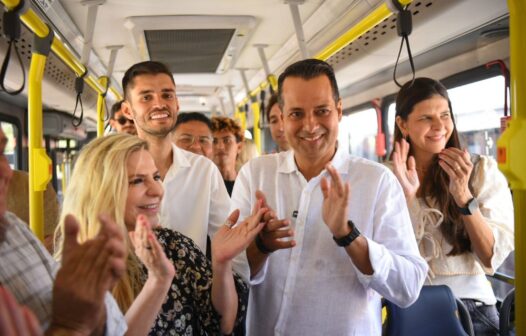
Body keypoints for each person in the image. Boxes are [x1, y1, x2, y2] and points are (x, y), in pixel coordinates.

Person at [231, 59, 428, 335]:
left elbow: (407, 288)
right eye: (296, 114)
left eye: (321, 111)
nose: (310, 126)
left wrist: (348, 236)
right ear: (282, 117)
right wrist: (260, 248)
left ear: (338, 111)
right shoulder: (255, 175)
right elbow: (230, 276)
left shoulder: (377, 182)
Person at [55, 133, 266, 335]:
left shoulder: (174, 247)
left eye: (156, 177)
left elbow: (223, 324)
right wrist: (158, 281)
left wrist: (221, 264)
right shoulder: (76, 271)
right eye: (138, 181)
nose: (157, 190)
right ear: (102, 189)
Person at [390, 77, 514, 335]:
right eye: (426, 118)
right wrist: (406, 199)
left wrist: (463, 196)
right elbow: (386, 256)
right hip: (409, 308)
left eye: (445, 115)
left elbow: (490, 256)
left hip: (473, 309)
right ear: (403, 125)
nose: (439, 126)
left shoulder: (480, 171)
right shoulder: (386, 178)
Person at [119, 61, 249, 280]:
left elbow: (229, 242)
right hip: (129, 293)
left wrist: (235, 297)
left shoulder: (204, 171)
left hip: (191, 298)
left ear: (177, 104)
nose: (159, 104)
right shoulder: (114, 168)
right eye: (146, 97)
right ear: (127, 110)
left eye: (167, 95)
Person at [0, 127, 128, 335]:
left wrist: (90, 301)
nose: (6, 172)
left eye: (1, 153)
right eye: (137, 180)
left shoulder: (13, 228)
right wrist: (70, 326)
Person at [211, 116, 244, 195]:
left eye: (227, 140)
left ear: (239, 147)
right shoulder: (204, 185)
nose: (220, 147)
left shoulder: (247, 184)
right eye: (214, 141)